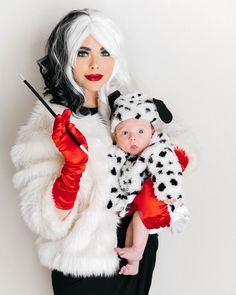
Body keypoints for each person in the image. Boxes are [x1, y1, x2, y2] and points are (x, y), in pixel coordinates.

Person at [11, 8, 193, 295]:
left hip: (133, 252)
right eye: (83, 52)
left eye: (105, 52)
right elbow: (45, 220)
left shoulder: (131, 106)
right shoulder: (48, 125)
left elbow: (181, 151)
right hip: (82, 264)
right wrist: (72, 169)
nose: (95, 63)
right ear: (65, 58)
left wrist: (149, 190)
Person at [106, 91, 190, 275]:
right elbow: (111, 176)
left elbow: (167, 168)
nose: (132, 138)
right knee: (131, 227)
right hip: (134, 200)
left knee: (140, 219)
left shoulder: (158, 147)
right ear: (115, 136)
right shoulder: (117, 153)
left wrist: (169, 192)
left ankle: (137, 251)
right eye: (125, 132)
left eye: (140, 131)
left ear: (152, 131)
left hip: (162, 200)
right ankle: (133, 265)